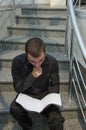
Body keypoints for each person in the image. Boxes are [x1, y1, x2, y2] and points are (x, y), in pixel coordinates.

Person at [10, 37, 65, 130]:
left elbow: (55, 84)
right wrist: (32, 76)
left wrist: (50, 100)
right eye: (32, 61)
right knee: (14, 109)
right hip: (26, 93)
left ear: (45, 52)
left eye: (40, 60)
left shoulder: (52, 62)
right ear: (26, 54)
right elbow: (17, 88)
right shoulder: (17, 62)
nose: (37, 65)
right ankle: (27, 126)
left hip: (45, 93)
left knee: (57, 119)